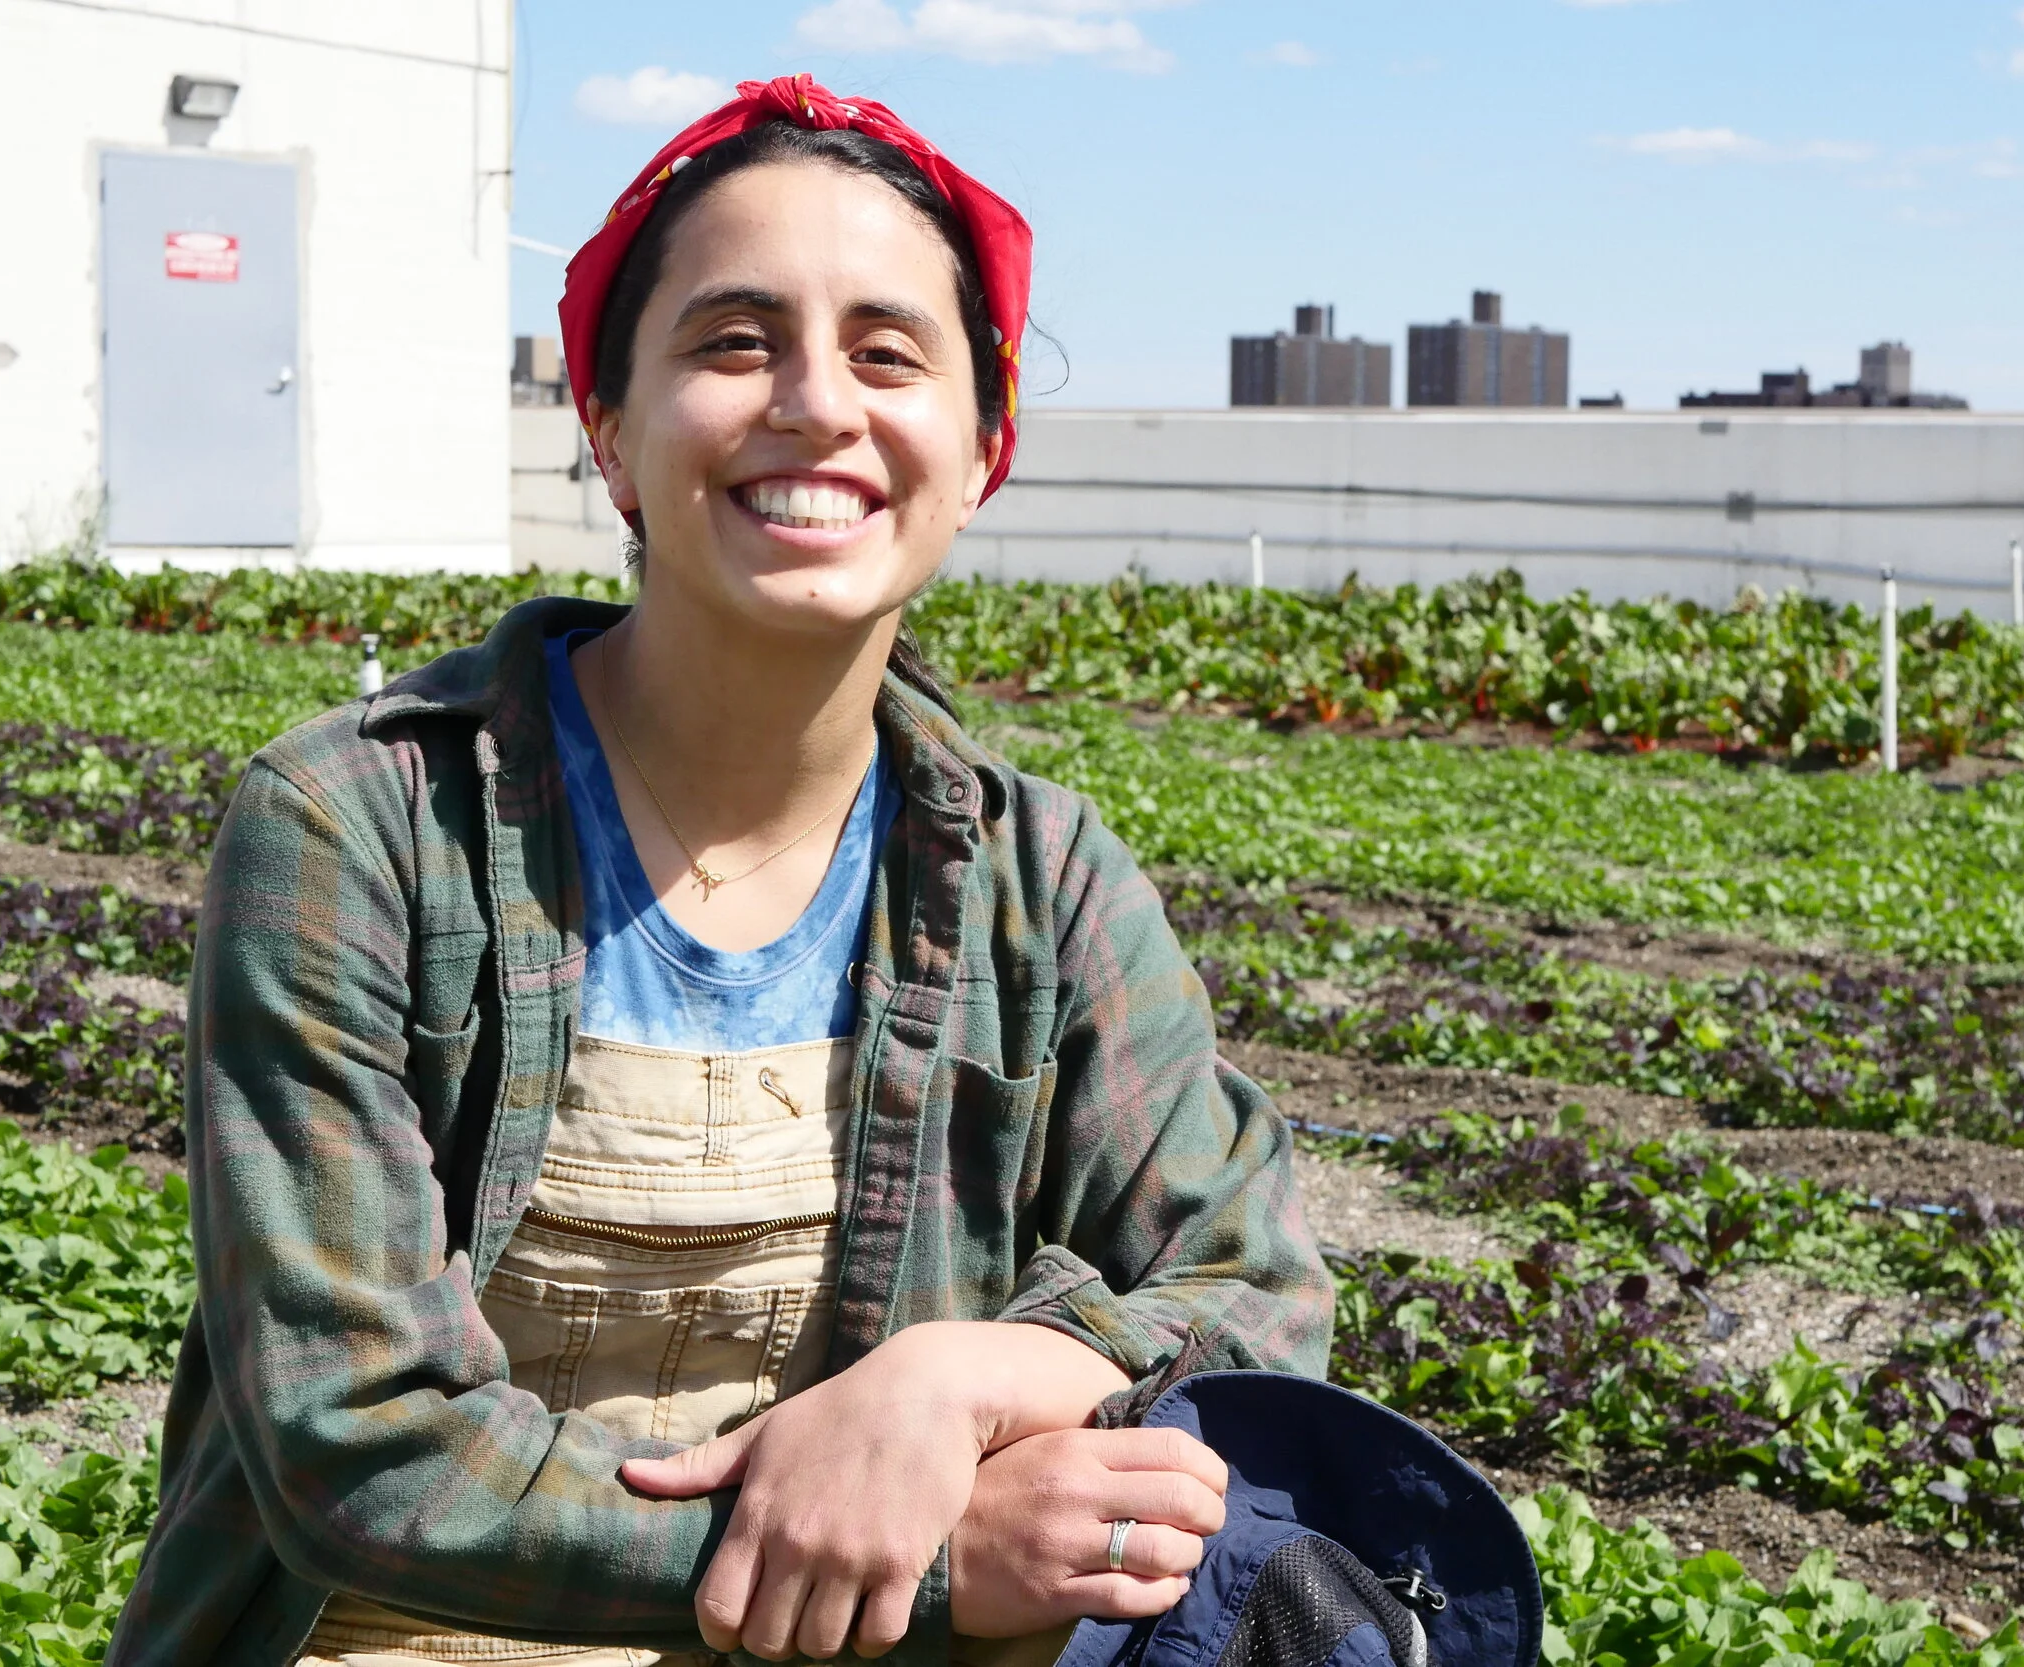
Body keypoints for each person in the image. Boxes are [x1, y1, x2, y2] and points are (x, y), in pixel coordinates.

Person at [109, 75, 1332, 1667]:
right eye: (734, 341)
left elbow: (1254, 1289)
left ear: (981, 452)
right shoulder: (364, 827)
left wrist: (963, 1373)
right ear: (611, 432)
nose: (817, 404)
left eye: (889, 353)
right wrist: (942, 1554)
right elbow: (358, 1445)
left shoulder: (1046, 878)